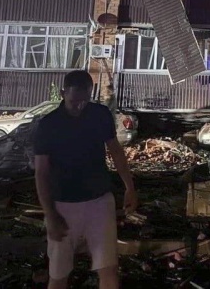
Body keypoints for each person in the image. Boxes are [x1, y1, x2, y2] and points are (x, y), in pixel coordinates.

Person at [34, 70, 138, 289]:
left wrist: (129, 187)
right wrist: (50, 214)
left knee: (108, 268)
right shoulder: (49, 125)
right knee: (59, 273)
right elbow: (41, 172)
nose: (79, 107)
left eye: (84, 101)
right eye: (74, 102)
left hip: (99, 202)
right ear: (63, 93)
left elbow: (116, 151)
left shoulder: (99, 115)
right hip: (63, 205)